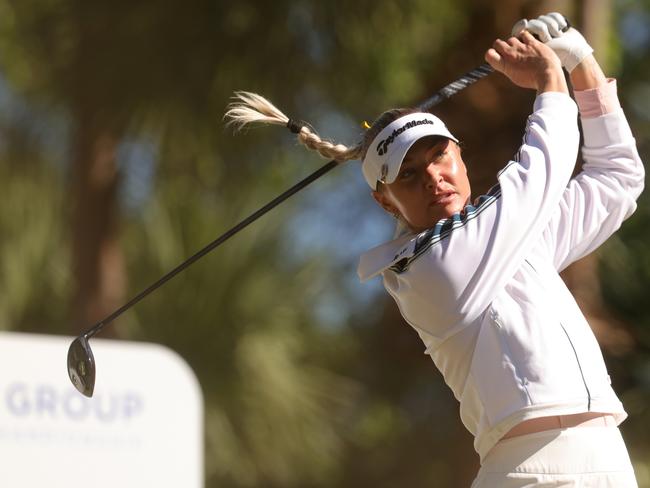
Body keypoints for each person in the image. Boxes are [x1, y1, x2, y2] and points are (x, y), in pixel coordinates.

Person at [225, 12, 643, 487]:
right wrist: (551, 77)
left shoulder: (518, 236)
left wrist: (582, 62)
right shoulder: (428, 265)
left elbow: (617, 179)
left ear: (459, 153)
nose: (432, 177)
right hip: (533, 472)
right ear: (384, 199)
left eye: (439, 155)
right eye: (408, 174)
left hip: (607, 456)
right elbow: (541, 168)